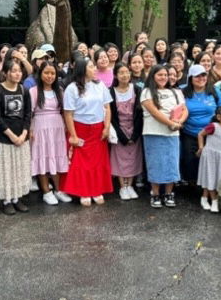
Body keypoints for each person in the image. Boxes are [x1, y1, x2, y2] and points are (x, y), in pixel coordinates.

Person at [61, 58, 113, 206]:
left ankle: (97, 190)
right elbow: (68, 114)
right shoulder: (72, 88)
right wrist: (73, 135)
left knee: (98, 161)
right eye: (91, 66)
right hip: (80, 128)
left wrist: (107, 127)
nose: (95, 69)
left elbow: (107, 107)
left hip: (98, 128)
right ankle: (84, 191)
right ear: (83, 69)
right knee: (81, 162)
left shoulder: (100, 85)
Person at [140, 64, 188, 208]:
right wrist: (170, 123)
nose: (163, 78)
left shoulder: (176, 92)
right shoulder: (147, 92)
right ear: (153, 76)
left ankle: (169, 193)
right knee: (155, 164)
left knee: (171, 164)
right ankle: (155, 194)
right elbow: (154, 112)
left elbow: (185, 110)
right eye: (160, 75)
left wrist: (178, 122)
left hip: (172, 134)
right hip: (153, 133)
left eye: (165, 75)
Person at [0, 59, 32, 215]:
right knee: (6, 169)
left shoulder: (23, 90)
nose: (17, 73)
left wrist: (24, 134)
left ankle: (17, 198)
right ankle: (7, 200)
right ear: (5, 73)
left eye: (19, 71)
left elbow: (28, 113)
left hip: (22, 137)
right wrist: (12, 136)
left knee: (19, 168)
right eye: (13, 71)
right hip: (3, 138)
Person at [29, 62, 71, 205]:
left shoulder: (59, 90)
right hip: (40, 126)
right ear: (40, 74)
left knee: (57, 157)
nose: (50, 76)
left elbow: (65, 111)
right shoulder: (34, 91)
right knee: (42, 158)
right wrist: (30, 129)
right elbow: (29, 113)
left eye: (53, 73)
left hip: (57, 126)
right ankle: (46, 192)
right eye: (46, 73)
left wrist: (67, 127)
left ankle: (59, 190)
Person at [180, 64, 221, 190]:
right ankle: (193, 184)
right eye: (197, 76)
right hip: (189, 132)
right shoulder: (183, 91)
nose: (201, 78)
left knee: (209, 161)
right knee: (190, 160)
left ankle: (207, 186)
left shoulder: (215, 91)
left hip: (211, 133)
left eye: (203, 75)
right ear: (190, 78)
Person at [109, 63, 144, 200]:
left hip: (134, 128)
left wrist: (135, 135)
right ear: (116, 75)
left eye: (127, 72)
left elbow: (140, 114)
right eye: (121, 72)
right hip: (119, 130)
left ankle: (130, 185)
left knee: (133, 158)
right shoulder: (111, 91)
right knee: (119, 159)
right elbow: (111, 116)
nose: (125, 75)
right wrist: (121, 135)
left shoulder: (136, 89)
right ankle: (122, 187)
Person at [196, 106, 221, 213]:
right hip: (209, 156)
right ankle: (214, 200)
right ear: (218, 117)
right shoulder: (214, 126)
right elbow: (200, 134)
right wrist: (201, 147)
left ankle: (204, 198)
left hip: (220, 157)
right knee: (211, 177)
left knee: (213, 177)